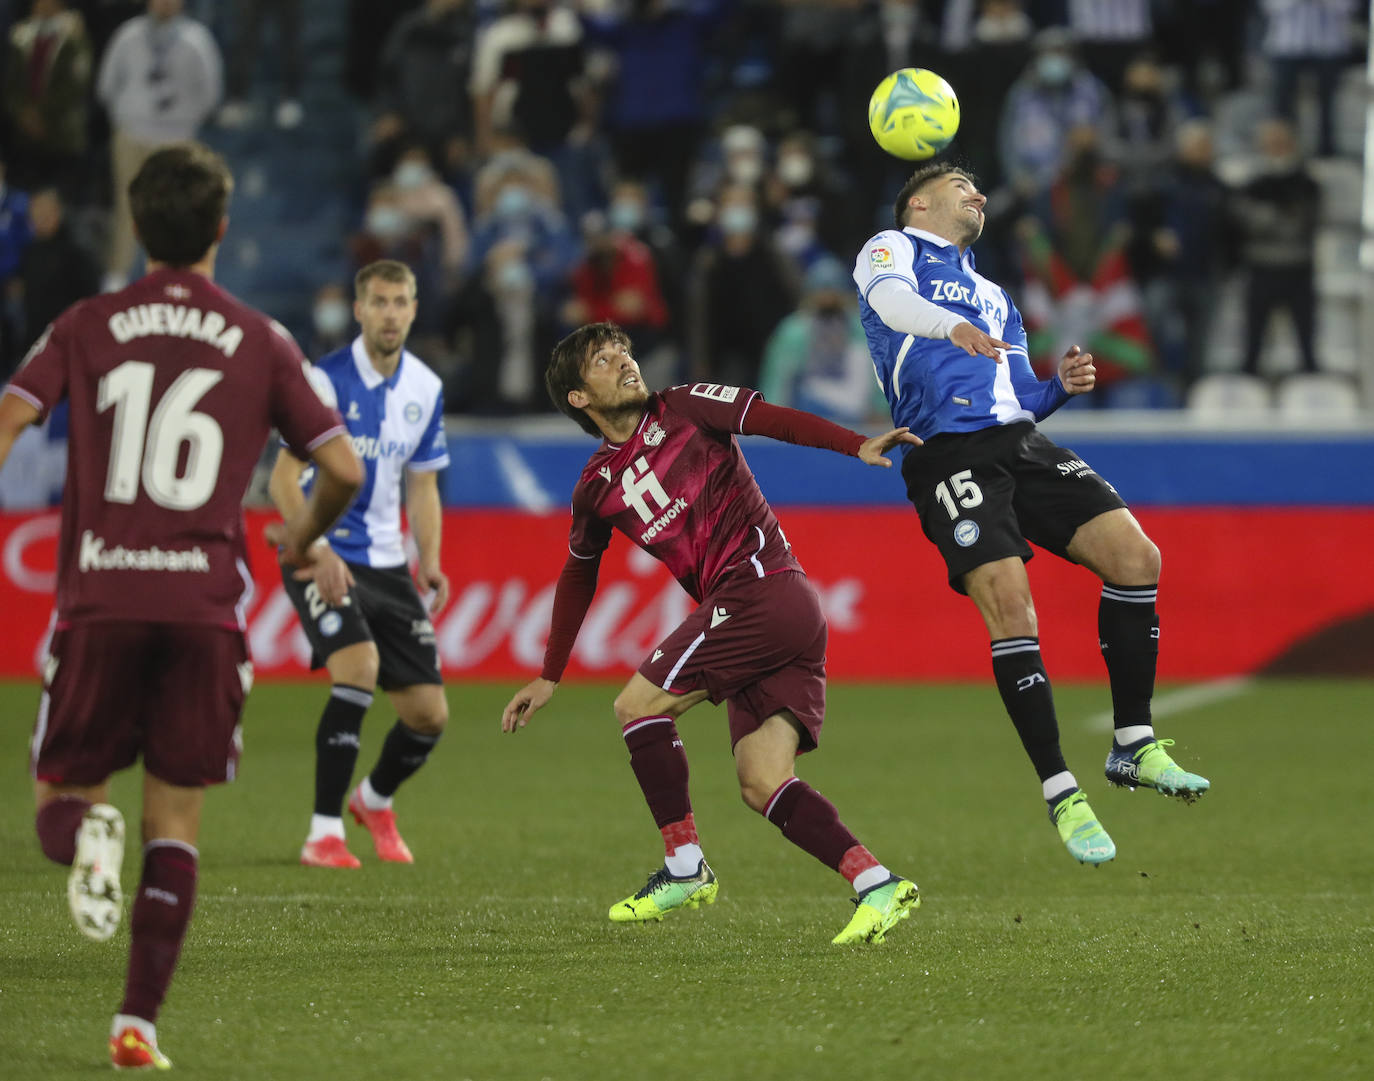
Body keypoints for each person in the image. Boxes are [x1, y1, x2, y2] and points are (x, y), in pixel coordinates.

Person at [0, 141, 362, 1070]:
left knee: (56, 803)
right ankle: (137, 1025)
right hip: (204, 607)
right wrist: (301, 532)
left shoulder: (85, 322)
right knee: (177, 823)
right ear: (221, 229)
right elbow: (343, 467)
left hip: (99, 596)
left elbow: (9, 415)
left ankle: (89, 829)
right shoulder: (258, 336)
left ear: (136, 225)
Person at [501, 320, 922, 945]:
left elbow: (775, 418)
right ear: (578, 399)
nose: (623, 359)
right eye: (602, 358)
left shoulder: (687, 407)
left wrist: (854, 444)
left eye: (624, 348)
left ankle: (684, 867)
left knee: (636, 705)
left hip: (763, 590)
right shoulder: (596, 488)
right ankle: (876, 883)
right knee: (762, 781)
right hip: (769, 614)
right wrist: (550, 672)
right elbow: (578, 573)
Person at [851, 161, 1209, 866]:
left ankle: (1133, 742)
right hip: (947, 453)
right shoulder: (890, 248)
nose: (978, 196)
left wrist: (1059, 387)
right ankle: (1062, 791)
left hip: (1019, 441)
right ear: (919, 202)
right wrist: (951, 329)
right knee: (1012, 607)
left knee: (1138, 558)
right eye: (962, 187)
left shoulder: (994, 296)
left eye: (980, 189)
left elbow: (1017, 392)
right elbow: (893, 307)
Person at [268, 258, 451, 870]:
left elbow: (422, 486)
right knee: (358, 668)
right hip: (320, 553)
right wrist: (312, 547)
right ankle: (322, 832)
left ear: (414, 309)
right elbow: (283, 479)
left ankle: (372, 801)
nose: (391, 313)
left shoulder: (425, 388)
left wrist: (429, 560)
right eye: (380, 301)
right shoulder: (323, 382)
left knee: (428, 716)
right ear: (359, 310)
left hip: (385, 561)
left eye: (401, 301)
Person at [95, 0, 223, 291]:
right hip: (132, 136)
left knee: (179, 210)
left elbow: (211, 92)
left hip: (176, 140)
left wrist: (183, 121)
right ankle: (116, 278)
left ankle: (179, 281)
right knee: (127, 206)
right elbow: (106, 85)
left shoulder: (196, 40)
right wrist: (128, 118)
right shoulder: (128, 35)